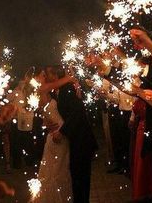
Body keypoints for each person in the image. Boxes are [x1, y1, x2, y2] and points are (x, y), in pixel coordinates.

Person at [46, 66, 97, 203]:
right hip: (74, 139)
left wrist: (62, 131)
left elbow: (77, 113)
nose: (46, 77)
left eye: (48, 74)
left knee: (81, 177)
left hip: (81, 139)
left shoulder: (67, 89)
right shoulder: (60, 90)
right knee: (76, 177)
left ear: (55, 76)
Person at [32, 66, 76, 203]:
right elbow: (64, 80)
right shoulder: (43, 89)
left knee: (60, 170)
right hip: (58, 134)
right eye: (43, 74)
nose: (45, 76)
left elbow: (46, 114)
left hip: (59, 132)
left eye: (46, 74)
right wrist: (70, 76)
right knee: (56, 172)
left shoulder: (48, 91)